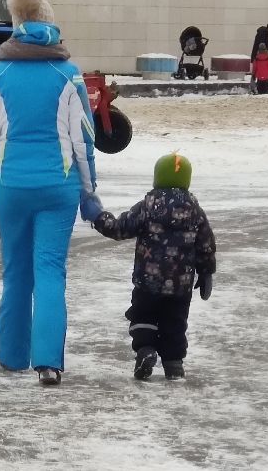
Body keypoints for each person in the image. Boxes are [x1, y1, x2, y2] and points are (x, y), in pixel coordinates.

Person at [0, 0, 97, 386]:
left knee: (16, 273)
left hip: (10, 188)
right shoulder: (68, 74)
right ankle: (48, 362)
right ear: (50, 24)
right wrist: (89, 193)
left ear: (16, 25)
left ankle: (12, 356)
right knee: (50, 271)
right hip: (58, 188)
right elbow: (83, 140)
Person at [81, 153, 217, 381]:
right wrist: (206, 272)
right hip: (180, 286)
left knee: (143, 316)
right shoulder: (195, 210)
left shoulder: (148, 206)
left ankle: (146, 350)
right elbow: (206, 244)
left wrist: (98, 216)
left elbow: (120, 228)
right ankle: (174, 364)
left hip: (148, 282)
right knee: (175, 323)